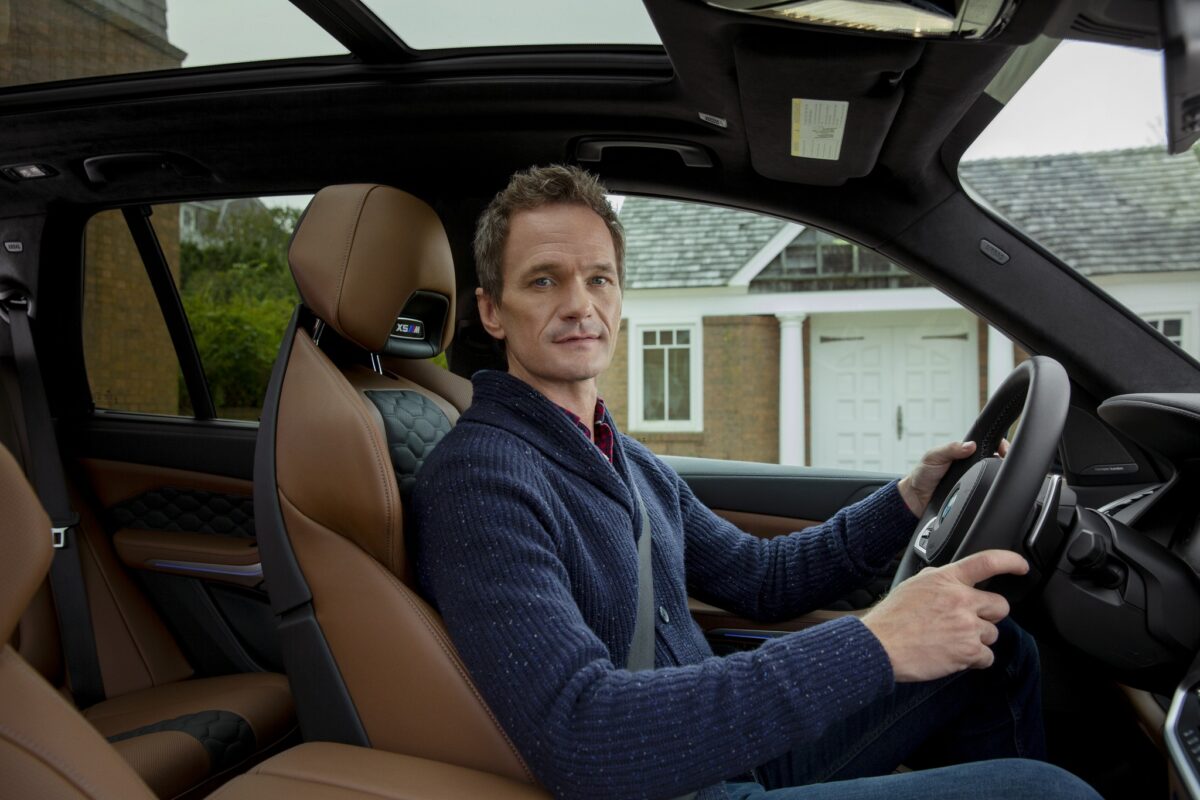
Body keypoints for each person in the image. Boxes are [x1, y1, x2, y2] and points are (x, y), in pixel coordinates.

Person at [412, 165, 1099, 800]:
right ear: (493, 311)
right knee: (1049, 794)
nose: (579, 305)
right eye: (543, 281)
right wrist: (874, 644)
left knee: (992, 650)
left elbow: (762, 578)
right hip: (668, 784)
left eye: (599, 278)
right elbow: (582, 733)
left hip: (720, 750)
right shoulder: (479, 480)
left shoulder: (623, 457)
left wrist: (908, 500)